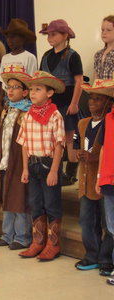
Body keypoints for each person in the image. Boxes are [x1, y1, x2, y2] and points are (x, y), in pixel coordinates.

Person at [17, 71, 66, 261]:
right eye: (31, 89)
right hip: (33, 164)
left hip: (48, 165)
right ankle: (38, 242)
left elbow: (59, 145)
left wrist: (54, 170)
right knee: (35, 204)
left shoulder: (55, 115)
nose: (32, 93)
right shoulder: (28, 115)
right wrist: (25, 168)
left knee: (52, 204)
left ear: (50, 93)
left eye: (38, 89)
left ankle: (53, 244)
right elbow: (24, 144)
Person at [74, 80, 114, 276]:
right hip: (85, 180)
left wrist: (94, 157)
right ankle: (91, 255)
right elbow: (73, 153)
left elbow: (108, 150)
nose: (92, 102)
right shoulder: (82, 123)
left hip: (103, 180)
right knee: (86, 220)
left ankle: (105, 259)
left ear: (108, 102)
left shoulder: (110, 122)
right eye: (91, 98)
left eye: (98, 99)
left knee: (108, 223)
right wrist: (81, 155)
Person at [39, 19, 83, 186]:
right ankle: (54, 169)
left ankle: (70, 174)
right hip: (50, 105)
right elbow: (42, 80)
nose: (50, 37)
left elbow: (78, 82)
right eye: (48, 34)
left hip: (67, 104)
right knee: (52, 139)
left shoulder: (73, 56)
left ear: (65, 35)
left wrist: (74, 103)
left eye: (54, 34)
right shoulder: (46, 55)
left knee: (68, 139)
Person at [0, 71, 32, 250]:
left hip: (18, 160)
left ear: (25, 92)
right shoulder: (6, 110)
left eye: (15, 87)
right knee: (7, 196)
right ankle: (7, 234)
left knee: (19, 199)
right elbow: (0, 136)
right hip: (5, 159)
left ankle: (22, 237)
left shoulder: (28, 111)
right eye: (8, 87)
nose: (10, 90)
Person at [96, 79, 114, 286]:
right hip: (108, 177)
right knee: (111, 225)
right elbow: (103, 148)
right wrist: (100, 176)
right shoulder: (108, 117)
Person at [0, 19, 38, 106]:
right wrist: (0, 101)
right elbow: (2, 82)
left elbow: (31, 82)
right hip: (7, 99)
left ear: (23, 39)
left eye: (13, 37)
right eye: (8, 37)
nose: (9, 40)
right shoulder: (5, 58)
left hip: (24, 100)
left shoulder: (29, 57)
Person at [94, 15, 114, 80]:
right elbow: (96, 77)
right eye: (102, 30)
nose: (104, 33)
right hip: (101, 89)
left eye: (108, 30)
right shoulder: (98, 54)